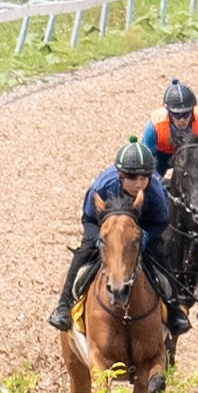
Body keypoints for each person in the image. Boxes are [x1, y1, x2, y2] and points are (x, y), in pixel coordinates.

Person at [48, 137, 180, 335]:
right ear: (120, 176)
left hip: (141, 230)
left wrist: (143, 237)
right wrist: (103, 242)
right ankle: (63, 305)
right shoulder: (102, 186)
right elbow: (88, 219)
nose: (139, 184)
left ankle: (174, 310)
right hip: (103, 229)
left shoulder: (154, 191)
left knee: (161, 258)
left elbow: (160, 223)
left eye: (144, 178)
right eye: (132, 178)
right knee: (83, 254)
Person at [137, 78, 198, 270]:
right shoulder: (154, 126)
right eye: (177, 115)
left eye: (186, 114)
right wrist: (159, 180)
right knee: (149, 191)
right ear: (169, 113)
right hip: (160, 157)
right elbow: (147, 164)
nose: (182, 119)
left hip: (191, 154)